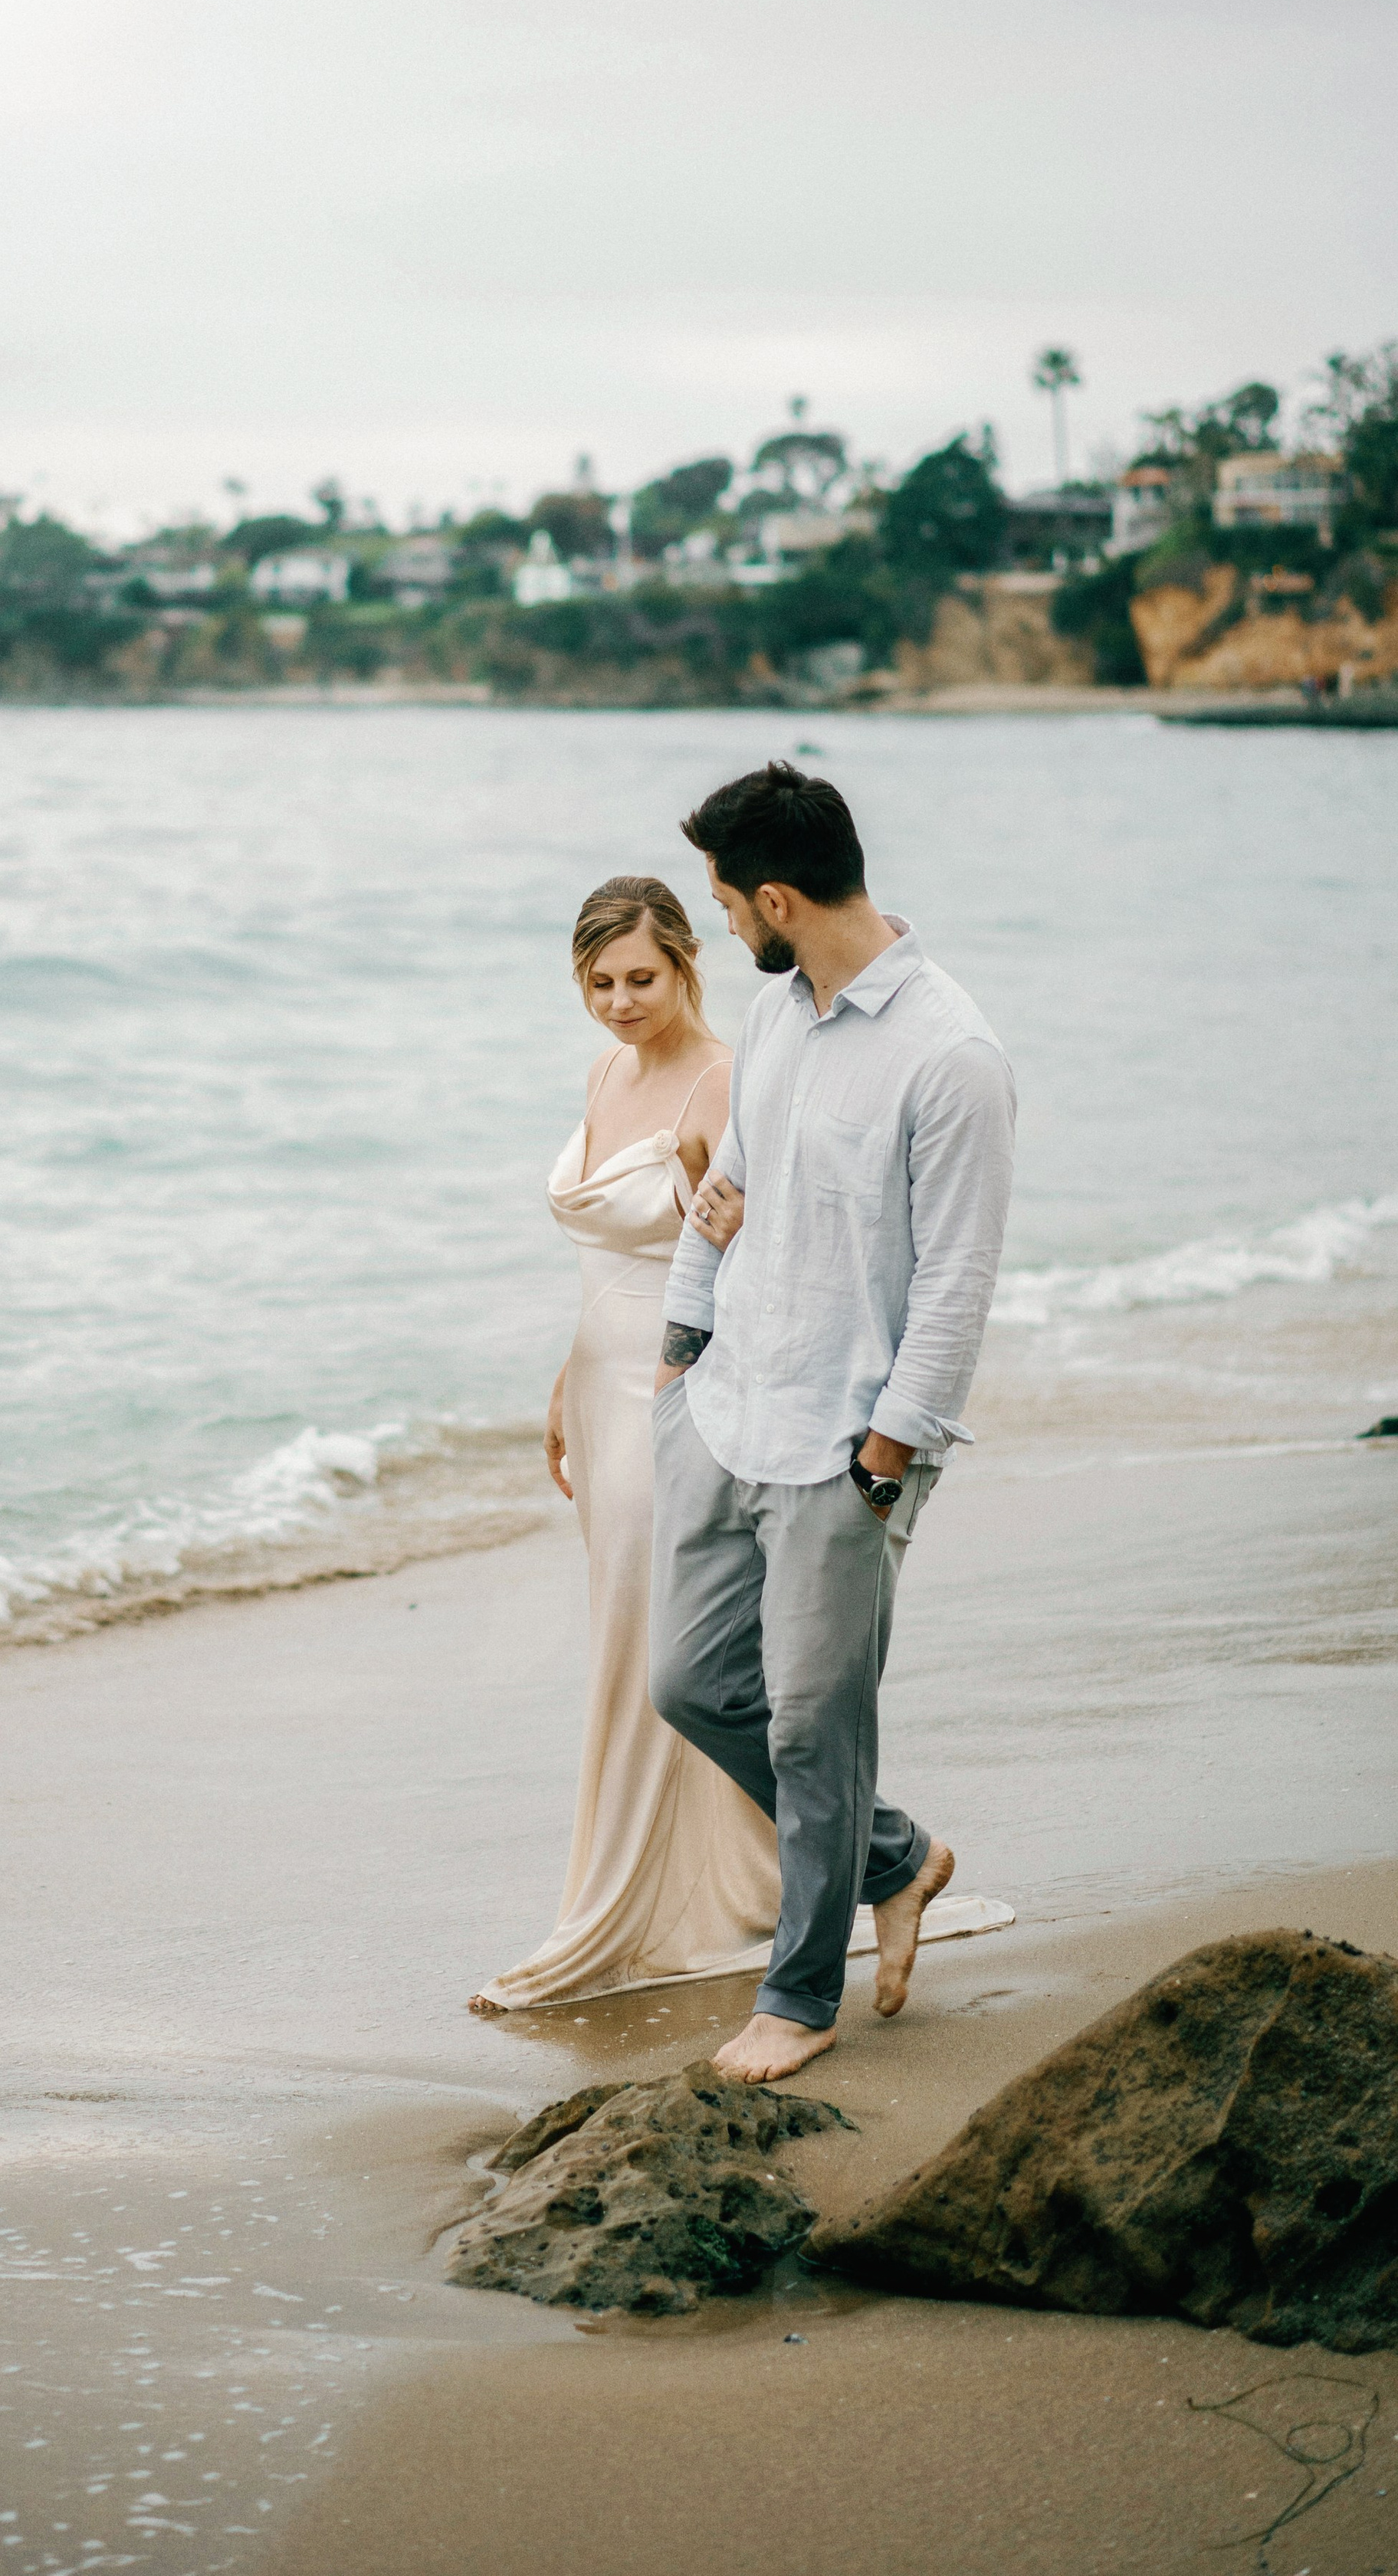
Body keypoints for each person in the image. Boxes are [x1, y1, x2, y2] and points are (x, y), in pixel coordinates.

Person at [651, 762, 1016, 2084]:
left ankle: (800, 1998)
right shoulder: (776, 1018)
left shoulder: (952, 1054)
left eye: (724, 903)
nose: (720, 925)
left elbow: (957, 1284)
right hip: (726, 1403)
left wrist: (885, 1459)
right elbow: (731, 1189)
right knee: (692, 1684)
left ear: (778, 898)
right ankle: (896, 1858)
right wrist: (678, 1351)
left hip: (846, 1449)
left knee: (815, 1728)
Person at [471, 877, 783, 2014]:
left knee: (653, 1640)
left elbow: (754, 1262)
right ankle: (696, 1880)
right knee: (623, 1622)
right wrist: (567, 1378)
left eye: (641, 978)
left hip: (677, 1389)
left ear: (688, 959)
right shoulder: (605, 1071)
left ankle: (634, 1906)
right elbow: (601, 1263)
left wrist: (693, 1391)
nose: (619, 1002)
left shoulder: (727, 1081)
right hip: (599, 1387)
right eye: (598, 982)